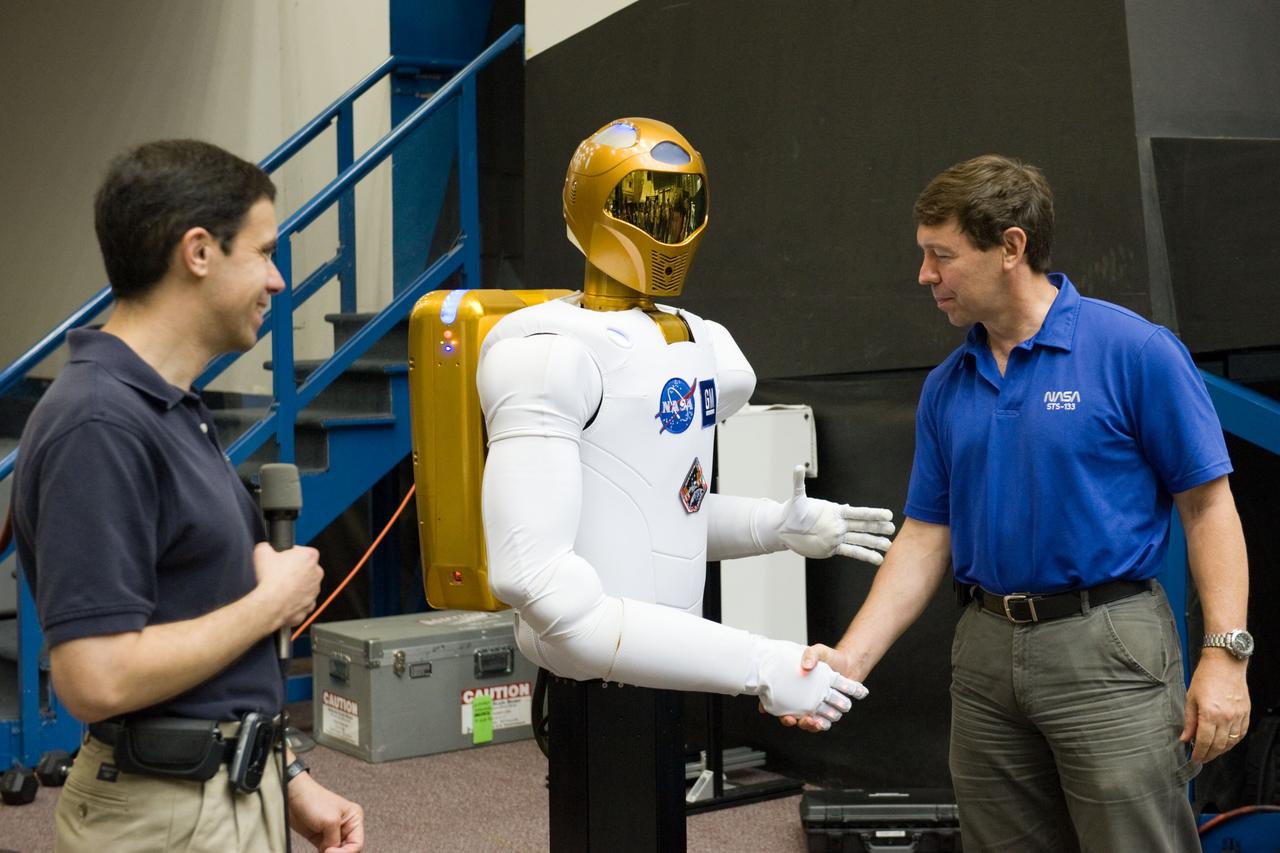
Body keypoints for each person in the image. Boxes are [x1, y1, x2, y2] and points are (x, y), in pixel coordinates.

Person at [793, 154, 1251, 852]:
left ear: (1010, 247)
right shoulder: (949, 384)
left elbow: (1209, 508)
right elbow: (925, 535)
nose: (925, 276)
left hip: (1108, 644)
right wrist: (852, 658)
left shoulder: (1133, 351)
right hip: (983, 650)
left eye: (941, 255)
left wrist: (1225, 655)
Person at [476, 117, 896, 728]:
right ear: (592, 210)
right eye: (646, 207)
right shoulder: (546, 354)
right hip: (594, 663)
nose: (667, 231)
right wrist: (757, 663)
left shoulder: (704, 344)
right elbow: (535, 579)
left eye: (683, 208)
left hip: (662, 652)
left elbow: (669, 510)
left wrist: (774, 524)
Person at [13, 140, 364, 853]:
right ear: (198, 251)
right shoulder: (99, 423)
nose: (278, 280)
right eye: (264, 252)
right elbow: (96, 677)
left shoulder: (169, 407)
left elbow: (197, 635)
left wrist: (288, 777)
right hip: (164, 820)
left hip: (224, 790)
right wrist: (273, 601)